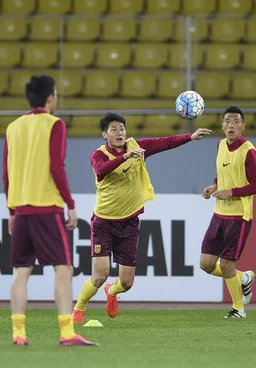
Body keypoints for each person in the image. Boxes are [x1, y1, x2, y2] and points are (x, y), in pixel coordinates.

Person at [72, 112, 211, 323]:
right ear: (104, 134)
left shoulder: (136, 147)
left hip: (129, 223)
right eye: (113, 130)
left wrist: (189, 136)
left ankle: (112, 292)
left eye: (122, 129)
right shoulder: (99, 155)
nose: (119, 133)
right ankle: (79, 309)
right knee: (100, 275)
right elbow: (101, 170)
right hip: (103, 223)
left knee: (126, 283)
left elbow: (164, 142)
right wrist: (125, 157)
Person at [3, 75, 98, 347]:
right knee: (63, 268)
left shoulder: (13, 127)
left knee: (22, 271)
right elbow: (56, 167)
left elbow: (6, 174)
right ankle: (67, 332)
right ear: (50, 98)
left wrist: (11, 210)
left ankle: (18, 333)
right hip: (46, 207)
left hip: (20, 208)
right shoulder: (55, 124)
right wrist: (70, 203)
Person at [199, 106, 256, 319]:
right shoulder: (220, 146)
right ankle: (244, 278)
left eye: (236, 122)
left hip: (239, 216)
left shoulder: (249, 151)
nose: (231, 126)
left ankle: (239, 309)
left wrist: (231, 192)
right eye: (227, 121)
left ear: (243, 126)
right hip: (219, 214)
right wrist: (214, 186)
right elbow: (223, 174)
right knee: (206, 264)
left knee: (227, 265)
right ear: (222, 125)